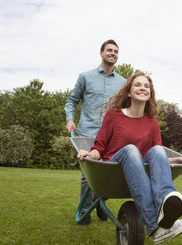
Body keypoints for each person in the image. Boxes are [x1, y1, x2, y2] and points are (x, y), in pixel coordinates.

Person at [77, 72, 182, 244]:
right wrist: (90, 154)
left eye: (146, 86)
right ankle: (153, 224)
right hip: (113, 169)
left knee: (157, 149)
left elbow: (155, 159)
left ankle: (166, 206)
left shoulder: (152, 124)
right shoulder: (114, 115)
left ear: (150, 94)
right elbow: (99, 147)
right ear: (128, 92)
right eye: (137, 85)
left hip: (138, 170)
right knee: (131, 150)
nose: (142, 88)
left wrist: (179, 159)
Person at [64, 39, 126, 225]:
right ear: (101, 53)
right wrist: (69, 119)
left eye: (115, 51)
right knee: (88, 175)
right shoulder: (85, 77)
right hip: (87, 132)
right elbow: (71, 101)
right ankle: (85, 210)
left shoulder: (123, 83)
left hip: (111, 136)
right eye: (109, 50)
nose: (112, 53)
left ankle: (99, 203)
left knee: (108, 172)